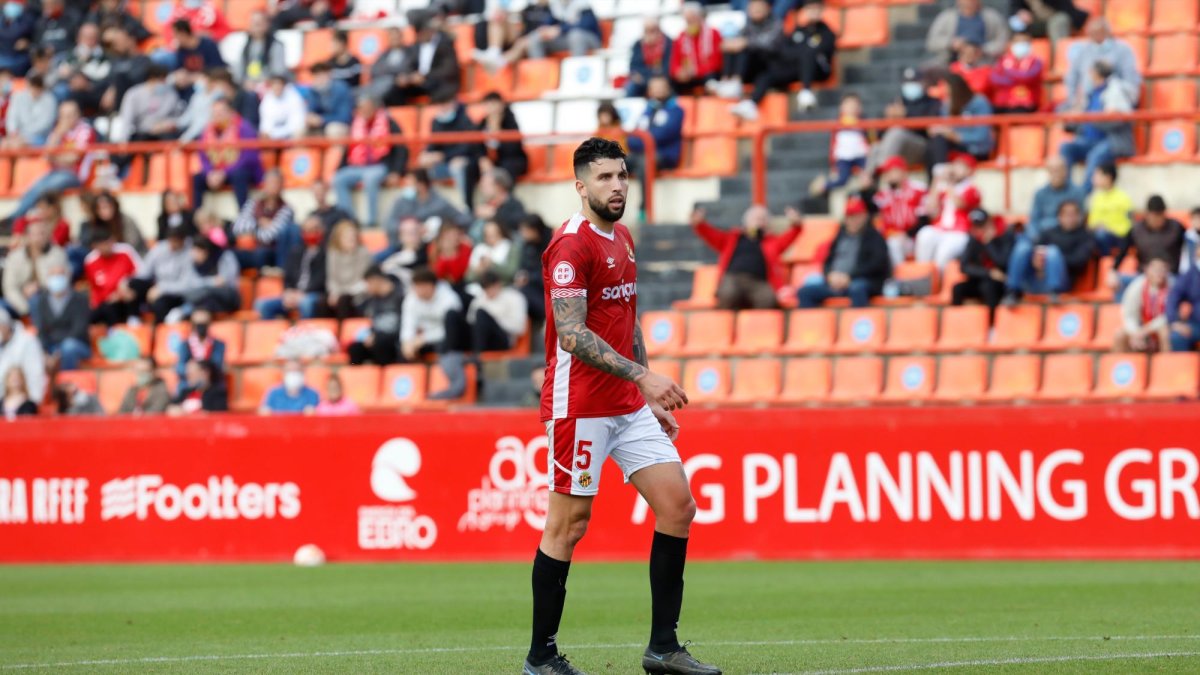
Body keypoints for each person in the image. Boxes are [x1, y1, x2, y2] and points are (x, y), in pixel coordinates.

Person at [524, 137, 718, 675]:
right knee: (569, 525)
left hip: (626, 403)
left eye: (622, 175)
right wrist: (646, 379)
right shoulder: (571, 245)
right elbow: (570, 333)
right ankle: (541, 656)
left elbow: (627, 319)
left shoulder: (624, 238)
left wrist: (644, 395)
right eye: (605, 178)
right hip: (579, 403)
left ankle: (663, 648)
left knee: (678, 506)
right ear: (580, 185)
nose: (617, 186)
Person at [691, 204, 802, 311]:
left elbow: (791, 235)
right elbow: (709, 234)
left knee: (768, 300)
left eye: (763, 218)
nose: (759, 221)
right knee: (728, 295)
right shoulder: (731, 238)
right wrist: (699, 224)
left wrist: (796, 224)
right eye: (756, 218)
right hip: (733, 278)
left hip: (759, 282)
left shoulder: (771, 242)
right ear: (746, 221)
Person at [7, 99, 95, 220]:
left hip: (75, 175)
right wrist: (58, 134)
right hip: (56, 172)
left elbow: (72, 158)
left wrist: (54, 157)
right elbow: (47, 154)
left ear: (78, 115)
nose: (67, 119)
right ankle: (18, 219)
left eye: (70, 115)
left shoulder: (85, 130)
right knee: (34, 187)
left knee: (43, 190)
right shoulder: (59, 130)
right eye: (64, 115)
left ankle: (15, 219)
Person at [798, 196, 891, 308]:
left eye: (856, 216)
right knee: (805, 292)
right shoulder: (840, 236)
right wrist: (830, 275)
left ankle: (857, 324)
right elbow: (828, 261)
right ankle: (813, 325)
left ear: (865, 216)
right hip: (836, 282)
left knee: (857, 288)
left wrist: (850, 277)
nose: (853, 221)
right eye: (850, 217)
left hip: (861, 281)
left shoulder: (874, 237)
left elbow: (877, 264)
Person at [332, 94, 408, 229]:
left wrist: (396, 172)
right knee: (339, 179)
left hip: (380, 165)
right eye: (361, 108)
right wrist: (339, 169)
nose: (364, 111)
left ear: (374, 107)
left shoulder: (388, 122)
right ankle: (349, 220)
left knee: (370, 178)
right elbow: (348, 148)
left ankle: (372, 221)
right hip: (357, 166)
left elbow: (401, 148)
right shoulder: (355, 123)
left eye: (367, 107)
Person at [1058, 61, 1134, 194]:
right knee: (1066, 148)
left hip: (1111, 141)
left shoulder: (1116, 91)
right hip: (1087, 140)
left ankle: (1082, 194)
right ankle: (1066, 191)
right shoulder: (1090, 93)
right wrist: (1072, 119)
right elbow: (1080, 118)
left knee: (1096, 155)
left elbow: (1119, 118)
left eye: (1091, 72)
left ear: (1097, 74)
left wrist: (1095, 118)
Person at [1004, 199, 1094, 304]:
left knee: (1052, 251)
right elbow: (1034, 250)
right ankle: (1012, 291)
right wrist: (1036, 260)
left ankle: (1054, 293)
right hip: (1035, 278)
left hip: (1062, 282)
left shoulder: (1085, 236)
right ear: (1059, 216)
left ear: (1079, 216)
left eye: (1073, 214)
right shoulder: (1049, 233)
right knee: (1023, 247)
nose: (1070, 218)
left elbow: (1079, 261)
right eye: (1066, 214)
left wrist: (1050, 260)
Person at [865, 68, 943, 176]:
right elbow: (880, 134)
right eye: (908, 82)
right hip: (895, 148)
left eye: (914, 82)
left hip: (921, 147)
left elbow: (930, 130)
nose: (911, 85)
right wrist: (889, 120)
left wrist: (905, 116)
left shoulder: (932, 103)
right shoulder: (897, 102)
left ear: (923, 83)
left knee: (897, 133)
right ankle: (867, 184)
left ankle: (882, 170)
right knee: (875, 148)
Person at [193, 97, 263, 209]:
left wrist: (224, 172)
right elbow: (203, 156)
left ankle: (243, 215)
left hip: (239, 171)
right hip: (216, 173)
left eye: (221, 112)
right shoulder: (207, 132)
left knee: (239, 175)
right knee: (196, 178)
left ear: (231, 112)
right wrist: (210, 173)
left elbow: (249, 157)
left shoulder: (244, 128)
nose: (217, 116)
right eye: (214, 113)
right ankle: (197, 215)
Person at [418, 93, 484, 209]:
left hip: (467, 164)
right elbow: (433, 145)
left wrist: (444, 156)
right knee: (425, 167)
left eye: (445, 103)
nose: (443, 108)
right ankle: (429, 206)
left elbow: (469, 147)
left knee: (457, 166)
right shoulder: (436, 121)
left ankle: (465, 206)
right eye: (440, 104)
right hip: (444, 164)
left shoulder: (465, 119)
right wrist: (427, 154)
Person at [916, 153, 981, 270]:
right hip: (941, 228)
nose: (955, 169)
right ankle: (923, 274)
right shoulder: (945, 187)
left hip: (960, 232)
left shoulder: (972, 189)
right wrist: (936, 181)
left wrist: (949, 182)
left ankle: (937, 283)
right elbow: (931, 210)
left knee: (944, 251)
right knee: (925, 234)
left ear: (969, 171)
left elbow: (960, 204)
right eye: (955, 165)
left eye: (961, 166)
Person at [384, 169, 471, 253]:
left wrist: (446, 229)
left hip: (431, 249)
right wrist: (411, 227)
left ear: (421, 185)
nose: (407, 187)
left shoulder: (439, 203)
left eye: (411, 183)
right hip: (400, 247)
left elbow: (463, 219)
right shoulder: (401, 201)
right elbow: (389, 224)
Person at [256, 216, 326, 320]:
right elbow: (288, 276)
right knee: (262, 305)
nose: (310, 233)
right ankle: (278, 334)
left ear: (321, 231)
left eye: (314, 229)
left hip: (315, 295)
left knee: (306, 303)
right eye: (307, 230)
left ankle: (306, 334)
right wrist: (288, 292)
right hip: (294, 294)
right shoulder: (296, 252)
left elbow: (322, 279)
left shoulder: (327, 253)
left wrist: (302, 294)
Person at [1063, 17, 1141, 110]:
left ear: (1107, 32)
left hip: (1113, 102)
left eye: (1100, 32)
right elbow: (1072, 77)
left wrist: (1124, 100)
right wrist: (1073, 100)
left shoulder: (1123, 50)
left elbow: (1130, 80)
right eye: (1093, 33)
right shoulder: (1082, 51)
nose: (1096, 36)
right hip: (1086, 102)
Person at [953, 209, 1016, 322]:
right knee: (957, 289)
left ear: (990, 222)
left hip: (1001, 283)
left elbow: (1002, 262)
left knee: (988, 287)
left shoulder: (1005, 235)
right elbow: (964, 266)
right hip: (982, 278)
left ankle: (992, 325)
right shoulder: (973, 239)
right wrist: (989, 273)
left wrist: (989, 243)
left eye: (983, 225)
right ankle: (957, 323)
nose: (980, 229)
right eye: (977, 226)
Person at [385, 12, 460, 105]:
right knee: (395, 90)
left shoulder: (444, 44)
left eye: (422, 33)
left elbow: (449, 70)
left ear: (429, 31)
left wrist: (425, 76)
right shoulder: (417, 46)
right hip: (420, 84)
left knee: (440, 93)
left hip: (439, 82)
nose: (419, 36)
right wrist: (409, 77)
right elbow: (410, 64)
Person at [713, 0, 781, 100]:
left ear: (767, 8)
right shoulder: (748, 24)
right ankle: (726, 80)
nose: (756, 9)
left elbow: (769, 44)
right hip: (750, 66)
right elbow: (739, 40)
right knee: (733, 46)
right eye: (753, 7)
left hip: (768, 65)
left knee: (744, 47)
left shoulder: (776, 23)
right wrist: (731, 43)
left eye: (759, 7)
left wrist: (746, 42)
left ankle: (736, 82)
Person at [232, 169, 298, 270]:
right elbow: (238, 227)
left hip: (269, 253)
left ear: (281, 186)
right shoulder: (253, 203)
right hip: (249, 249)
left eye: (276, 183)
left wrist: (251, 231)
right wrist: (258, 222)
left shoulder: (287, 209)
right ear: (264, 184)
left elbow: (269, 236)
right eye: (270, 183)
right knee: (229, 255)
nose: (273, 186)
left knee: (261, 254)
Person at [32, 261, 90, 370]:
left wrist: (59, 352)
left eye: (60, 274)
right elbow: (41, 329)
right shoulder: (41, 301)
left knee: (69, 347)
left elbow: (79, 329)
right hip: (51, 345)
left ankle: (66, 381)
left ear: (67, 276)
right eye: (53, 275)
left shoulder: (80, 299)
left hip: (76, 344)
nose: (56, 278)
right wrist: (44, 351)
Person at [808, 93, 869, 196]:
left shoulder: (863, 124)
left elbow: (867, 140)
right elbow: (834, 146)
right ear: (842, 107)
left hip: (860, 156)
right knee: (842, 179)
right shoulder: (838, 125)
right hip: (844, 157)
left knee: (868, 177)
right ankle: (824, 186)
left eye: (854, 105)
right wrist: (834, 165)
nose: (851, 108)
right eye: (848, 105)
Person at [3, 221, 68, 318]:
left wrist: (38, 287)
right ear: (27, 236)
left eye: (42, 233)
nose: (39, 238)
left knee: (36, 300)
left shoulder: (57, 254)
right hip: (20, 299)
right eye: (35, 234)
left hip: (47, 296)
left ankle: (41, 329)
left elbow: (61, 283)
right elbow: (9, 287)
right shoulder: (15, 257)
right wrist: (24, 307)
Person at [872, 156, 928, 267]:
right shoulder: (883, 194)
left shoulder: (918, 189)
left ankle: (901, 279)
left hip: (914, 238)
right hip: (891, 237)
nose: (887, 175)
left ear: (903, 171)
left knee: (894, 244)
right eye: (886, 172)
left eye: (890, 171)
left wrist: (906, 234)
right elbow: (870, 209)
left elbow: (925, 219)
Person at [132, 225, 194, 323]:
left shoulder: (189, 254)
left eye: (176, 241)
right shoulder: (159, 249)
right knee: (133, 285)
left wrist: (161, 288)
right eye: (171, 240)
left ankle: (163, 329)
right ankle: (133, 318)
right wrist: (128, 282)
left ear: (183, 240)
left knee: (160, 305)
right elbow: (144, 272)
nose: (172, 244)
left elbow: (186, 286)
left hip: (175, 294)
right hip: (155, 288)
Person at [929, 73, 994, 166]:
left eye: (947, 89)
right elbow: (946, 127)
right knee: (936, 142)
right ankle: (938, 173)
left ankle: (940, 172)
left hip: (976, 150)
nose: (945, 92)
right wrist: (939, 130)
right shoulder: (947, 104)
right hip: (956, 148)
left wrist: (957, 136)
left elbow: (981, 135)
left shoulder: (979, 102)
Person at [400, 266, 462, 363]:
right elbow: (408, 324)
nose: (417, 290)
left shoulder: (449, 299)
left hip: (447, 339)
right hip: (422, 339)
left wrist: (424, 338)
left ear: (430, 285)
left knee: (443, 347)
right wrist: (406, 342)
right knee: (403, 351)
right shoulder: (411, 298)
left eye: (420, 286)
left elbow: (451, 330)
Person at [348, 265, 404, 366]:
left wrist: (378, 337)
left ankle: (385, 377)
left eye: (368, 283)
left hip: (394, 342)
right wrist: (371, 335)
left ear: (376, 280)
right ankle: (355, 379)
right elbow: (375, 323)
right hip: (377, 339)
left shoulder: (400, 296)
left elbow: (403, 326)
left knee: (380, 344)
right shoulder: (373, 300)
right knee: (355, 348)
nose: (367, 288)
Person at [84, 227, 142, 326]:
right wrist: (108, 298)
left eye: (108, 242)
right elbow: (95, 289)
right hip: (107, 302)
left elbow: (142, 275)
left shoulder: (125, 251)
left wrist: (123, 287)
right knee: (97, 312)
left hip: (128, 297)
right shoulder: (90, 261)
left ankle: (134, 321)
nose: (107, 246)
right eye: (102, 244)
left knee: (131, 289)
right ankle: (114, 333)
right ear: (95, 246)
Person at [627, 75, 685, 172]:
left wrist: (643, 139)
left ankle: (646, 188)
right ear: (649, 90)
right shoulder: (647, 110)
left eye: (661, 87)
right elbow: (632, 138)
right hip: (642, 153)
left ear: (668, 89)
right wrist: (644, 141)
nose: (658, 90)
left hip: (665, 155)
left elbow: (664, 135)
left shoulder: (676, 110)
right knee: (616, 163)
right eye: (654, 87)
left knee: (645, 162)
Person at [1113, 257, 1171, 354]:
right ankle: (1121, 365)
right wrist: (1136, 333)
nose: (1159, 273)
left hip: (1161, 326)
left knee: (1164, 332)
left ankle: (1165, 365)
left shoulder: (1172, 286)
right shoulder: (1137, 286)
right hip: (1141, 326)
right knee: (1119, 335)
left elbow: (1168, 315)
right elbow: (1128, 314)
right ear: (1147, 271)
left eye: (1162, 270)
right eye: (1155, 270)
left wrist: (1146, 330)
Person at [1116, 196, 1185, 275]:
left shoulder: (1176, 228)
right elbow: (1123, 250)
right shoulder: (1136, 230)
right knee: (1119, 281)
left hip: (1170, 275)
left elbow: (1190, 244)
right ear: (1147, 214)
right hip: (1144, 275)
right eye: (1154, 216)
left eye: (1159, 216)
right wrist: (1114, 269)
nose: (1157, 220)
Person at [926, 0, 1009, 65]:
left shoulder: (992, 17)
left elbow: (1003, 41)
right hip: (950, 61)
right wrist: (951, 43)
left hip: (984, 63)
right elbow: (932, 42)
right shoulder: (946, 17)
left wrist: (982, 50)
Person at [1027, 155, 1086, 240]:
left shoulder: (1078, 192)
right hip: (1042, 236)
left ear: (1066, 171)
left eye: (1059, 170)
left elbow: (1081, 220)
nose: (1056, 174)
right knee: (1022, 248)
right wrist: (1035, 238)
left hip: (1067, 237)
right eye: (1052, 171)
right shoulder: (1040, 193)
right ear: (1048, 172)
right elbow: (1034, 220)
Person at [989, 27, 1043, 114]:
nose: (1021, 45)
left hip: (1025, 104)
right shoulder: (1003, 60)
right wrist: (1018, 79)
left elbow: (1029, 77)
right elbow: (995, 79)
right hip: (1003, 104)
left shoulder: (1036, 62)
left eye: (1024, 42)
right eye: (1018, 42)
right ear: (1012, 44)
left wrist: (1008, 73)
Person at [184, 237, 241, 317]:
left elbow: (224, 282)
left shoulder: (224, 256)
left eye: (197, 252)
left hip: (227, 296)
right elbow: (192, 284)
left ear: (204, 251)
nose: (194, 255)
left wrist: (206, 284)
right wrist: (212, 282)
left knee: (205, 298)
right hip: (205, 297)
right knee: (197, 297)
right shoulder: (193, 263)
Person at [478, 92, 528, 183]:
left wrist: (497, 131)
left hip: (511, 160)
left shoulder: (510, 121)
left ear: (502, 105)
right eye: (488, 104)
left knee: (506, 168)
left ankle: (505, 196)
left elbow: (514, 149)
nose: (492, 108)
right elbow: (477, 147)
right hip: (492, 161)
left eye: (494, 104)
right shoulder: (482, 123)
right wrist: (483, 158)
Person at [325, 220, 371, 320]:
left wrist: (341, 293)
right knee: (321, 303)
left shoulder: (363, 253)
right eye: (347, 236)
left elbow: (362, 280)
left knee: (344, 300)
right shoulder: (333, 254)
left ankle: (342, 331)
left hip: (357, 294)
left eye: (353, 236)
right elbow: (332, 279)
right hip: (339, 292)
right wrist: (334, 292)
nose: (351, 239)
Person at [0, 308, 45, 406]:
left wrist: (32, 403)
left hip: (23, 404)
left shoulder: (27, 341)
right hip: (3, 404)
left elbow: (35, 374)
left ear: (5, 325)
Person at [1086, 164, 1133, 257]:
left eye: (1097, 175)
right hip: (1098, 233)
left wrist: (1108, 227)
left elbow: (1128, 226)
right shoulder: (1096, 198)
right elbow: (1091, 223)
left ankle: (1106, 262)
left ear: (1108, 178)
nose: (1093, 179)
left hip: (1118, 237)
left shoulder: (1123, 198)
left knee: (1101, 235)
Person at [473, 167, 528, 241]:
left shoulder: (514, 204)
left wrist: (494, 214)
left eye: (486, 184)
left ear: (499, 186)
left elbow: (520, 224)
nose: (482, 188)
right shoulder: (485, 204)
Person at [515, 215, 551, 323]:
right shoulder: (527, 245)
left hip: (546, 290)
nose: (522, 234)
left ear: (534, 230)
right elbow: (523, 266)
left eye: (525, 231)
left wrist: (529, 278)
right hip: (531, 287)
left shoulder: (551, 242)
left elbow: (549, 274)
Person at [302, 62, 353, 138]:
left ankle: (335, 150)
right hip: (321, 125)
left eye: (321, 74)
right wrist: (310, 118)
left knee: (332, 129)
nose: (318, 78)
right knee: (300, 129)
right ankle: (302, 150)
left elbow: (345, 117)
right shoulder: (314, 91)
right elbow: (311, 111)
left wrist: (322, 119)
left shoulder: (341, 88)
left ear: (328, 74)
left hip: (339, 125)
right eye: (316, 75)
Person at [626, 15, 672, 98]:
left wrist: (656, 77)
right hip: (644, 80)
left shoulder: (668, 43)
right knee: (631, 88)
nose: (650, 34)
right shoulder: (638, 45)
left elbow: (669, 66)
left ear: (658, 30)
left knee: (666, 87)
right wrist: (650, 77)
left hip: (663, 79)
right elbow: (634, 67)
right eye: (647, 30)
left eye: (652, 30)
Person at [1009, 0, 1087, 48]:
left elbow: (1067, 9)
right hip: (1036, 22)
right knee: (1017, 23)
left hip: (1057, 17)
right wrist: (1020, 12)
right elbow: (1014, 8)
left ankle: (1058, 59)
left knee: (1058, 22)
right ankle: (1020, 65)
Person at [174, 308, 225, 380]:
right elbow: (180, 368)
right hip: (189, 383)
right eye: (198, 324)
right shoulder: (185, 345)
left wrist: (200, 369)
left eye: (204, 324)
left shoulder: (218, 344)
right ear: (193, 325)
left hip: (211, 383)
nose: (201, 327)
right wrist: (192, 370)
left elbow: (217, 365)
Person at [4, 74, 55, 147]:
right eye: (33, 87)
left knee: (19, 145)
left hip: (40, 137)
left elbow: (46, 124)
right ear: (29, 86)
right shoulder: (18, 97)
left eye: (38, 88)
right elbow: (12, 118)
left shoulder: (49, 100)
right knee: (5, 145)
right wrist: (13, 133)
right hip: (18, 136)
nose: (35, 91)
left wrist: (25, 137)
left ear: (42, 88)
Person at [466, 220, 520, 285]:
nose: (490, 238)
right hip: (480, 287)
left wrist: (491, 265)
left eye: (493, 234)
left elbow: (511, 273)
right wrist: (479, 269)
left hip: (503, 287)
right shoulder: (480, 248)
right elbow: (469, 277)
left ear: (500, 233)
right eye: (487, 235)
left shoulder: (510, 247)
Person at [238, 11, 286, 84]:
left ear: (267, 24)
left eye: (258, 24)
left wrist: (263, 81)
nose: (256, 27)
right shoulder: (246, 46)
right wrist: (245, 82)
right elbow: (239, 70)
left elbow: (278, 71)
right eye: (253, 23)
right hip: (249, 85)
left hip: (268, 85)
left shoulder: (275, 45)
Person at [1167, 245, 1200, 352]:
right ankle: (1182, 369)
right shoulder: (1190, 275)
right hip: (1196, 324)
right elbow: (1173, 298)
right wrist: (1174, 322)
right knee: (1177, 337)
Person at [258, 72, 307, 140]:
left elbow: (297, 122)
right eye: (274, 84)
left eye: (279, 84)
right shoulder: (267, 100)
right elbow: (266, 126)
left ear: (284, 85)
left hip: (291, 133)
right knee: (263, 136)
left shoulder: (293, 97)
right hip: (274, 135)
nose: (277, 86)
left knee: (299, 133)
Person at [366, 26, 406, 102]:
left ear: (401, 37)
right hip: (379, 84)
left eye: (396, 36)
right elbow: (374, 71)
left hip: (396, 88)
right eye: (392, 36)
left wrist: (391, 73)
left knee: (388, 81)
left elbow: (407, 69)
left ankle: (370, 101)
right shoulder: (384, 54)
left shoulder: (409, 53)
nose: (394, 39)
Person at [165, 0, 230, 43]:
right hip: (182, 52)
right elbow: (168, 33)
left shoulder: (211, 10)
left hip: (206, 51)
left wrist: (210, 34)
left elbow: (226, 31)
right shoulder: (177, 13)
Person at [0, 0, 35, 75]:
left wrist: (27, 43)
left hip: (19, 57)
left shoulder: (28, 20)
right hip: (3, 54)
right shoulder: (2, 19)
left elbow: (33, 39)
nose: (11, 5)